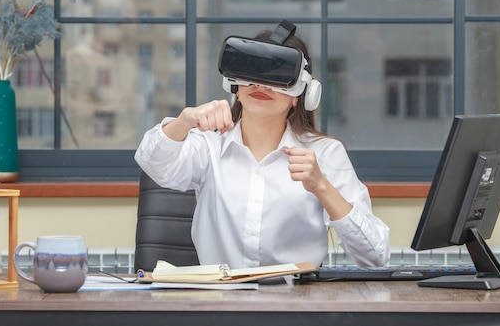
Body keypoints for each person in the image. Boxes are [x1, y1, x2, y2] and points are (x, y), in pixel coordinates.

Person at [135, 25, 390, 270]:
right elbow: (152, 162)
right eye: (252, 72)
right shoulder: (208, 147)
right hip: (220, 305)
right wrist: (185, 121)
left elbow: (376, 256)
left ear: (302, 94)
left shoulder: (325, 154)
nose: (261, 85)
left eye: (277, 75)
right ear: (234, 83)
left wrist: (322, 186)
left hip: (297, 305)